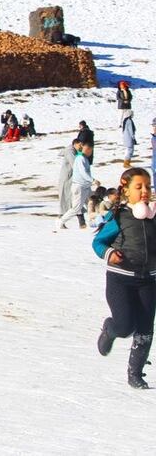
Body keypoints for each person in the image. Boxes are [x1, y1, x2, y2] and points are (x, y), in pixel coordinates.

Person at [91, 167, 156, 389]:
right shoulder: (119, 216)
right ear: (126, 190)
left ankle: (135, 373)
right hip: (120, 279)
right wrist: (109, 253)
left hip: (148, 279)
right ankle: (110, 329)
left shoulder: (154, 216)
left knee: (146, 328)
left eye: (148, 186)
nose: (145, 191)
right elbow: (98, 242)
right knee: (125, 326)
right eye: (139, 187)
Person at [57, 141, 93, 229]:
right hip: (72, 182)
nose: (80, 147)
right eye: (80, 145)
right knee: (75, 206)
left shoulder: (81, 156)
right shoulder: (74, 155)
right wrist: (92, 180)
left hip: (82, 183)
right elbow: (80, 170)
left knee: (90, 202)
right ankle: (61, 220)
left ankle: (90, 222)